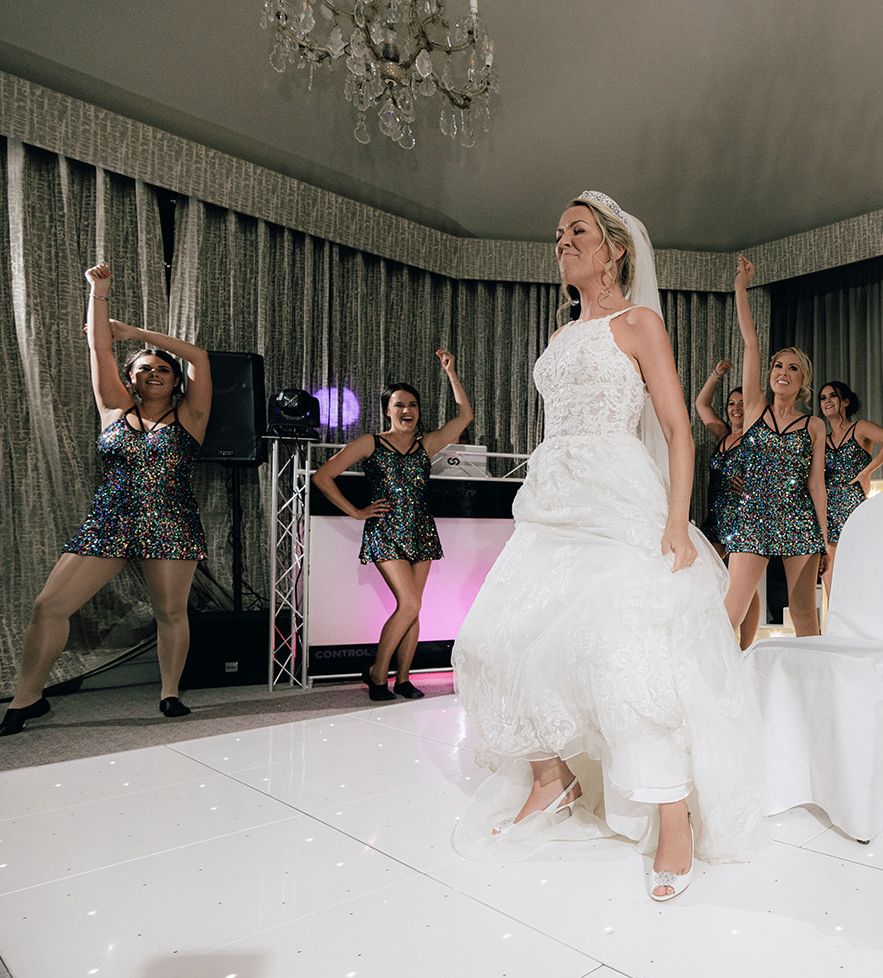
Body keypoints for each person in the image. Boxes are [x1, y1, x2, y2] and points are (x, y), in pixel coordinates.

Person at [450, 192, 767, 900]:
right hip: (552, 502)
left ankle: (672, 816)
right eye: (558, 232)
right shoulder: (561, 336)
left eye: (578, 231)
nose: (562, 241)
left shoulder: (639, 323)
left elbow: (679, 431)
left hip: (619, 502)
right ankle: (550, 779)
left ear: (615, 249)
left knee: (629, 651)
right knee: (496, 638)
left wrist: (677, 523)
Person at [1, 264, 212, 736]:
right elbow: (99, 348)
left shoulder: (192, 415)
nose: (154, 373)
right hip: (110, 520)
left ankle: (170, 693)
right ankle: (27, 698)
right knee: (48, 607)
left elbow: (198, 356)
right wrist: (99, 293)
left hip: (170, 521)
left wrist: (135, 332)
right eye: (143, 368)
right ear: (130, 378)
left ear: (174, 381)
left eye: (162, 369)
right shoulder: (113, 408)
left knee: (170, 612)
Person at [310, 351, 473, 700]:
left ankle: (403, 680)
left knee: (414, 608)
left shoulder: (424, 446)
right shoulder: (371, 443)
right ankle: (376, 675)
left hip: (421, 531)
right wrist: (355, 512)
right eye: (399, 405)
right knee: (410, 604)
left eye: (412, 404)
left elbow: (465, 417)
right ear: (387, 410)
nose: (407, 411)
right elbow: (323, 476)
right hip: (385, 533)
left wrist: (452, 374)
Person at [722, 255, 829, 637]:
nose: (783, 372)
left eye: (792, 368)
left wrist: (824, 538)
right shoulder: (753, 409)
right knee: (730, 612)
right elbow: (750, 342)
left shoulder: (814, 426)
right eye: (778, 366)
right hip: (752, 518)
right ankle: (716, 688)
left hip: (799, 521)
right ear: (770, 376)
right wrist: (741, 287)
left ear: (804, 381)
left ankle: (813, 691)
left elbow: (816, 484)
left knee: (805, 616)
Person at [694, 361, 760, 648]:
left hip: (742, 518)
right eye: (732, 403)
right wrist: (716, 375)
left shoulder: (757, 438)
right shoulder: (723, 435)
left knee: (744, 584)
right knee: (709, 572)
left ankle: (743, 647)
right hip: (716, 516)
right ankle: (726, 640)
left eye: (742, 403)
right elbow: (701, 404)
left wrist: (751, 491)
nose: (736, 408)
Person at [818, 380, 883, 596]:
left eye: (833, 396)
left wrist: (867, 471)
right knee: (831, 581)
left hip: (854, 508)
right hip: (828, 511)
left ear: (845, 401)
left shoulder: (860, 427)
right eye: (823, 398)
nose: (827, 401)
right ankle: (836, 628)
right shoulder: (822, 440)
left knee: (858, 575)